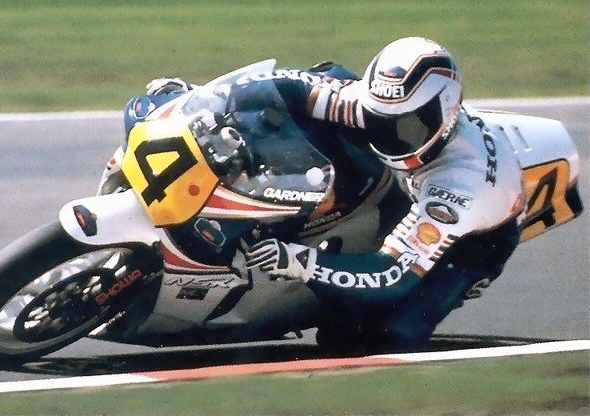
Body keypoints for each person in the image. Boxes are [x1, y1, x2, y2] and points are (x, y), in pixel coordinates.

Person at [147, 37, 526, 351]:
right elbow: (287, 86)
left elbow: (392, 275)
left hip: (474, 241)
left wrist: (300, 261)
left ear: (444, 114)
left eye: (405, 127)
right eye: (379, 120)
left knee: (381, 335)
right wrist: (203, 99)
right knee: (329, 78)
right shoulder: (380, 107)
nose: (388, 136)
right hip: (407, 181)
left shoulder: (462, 185)